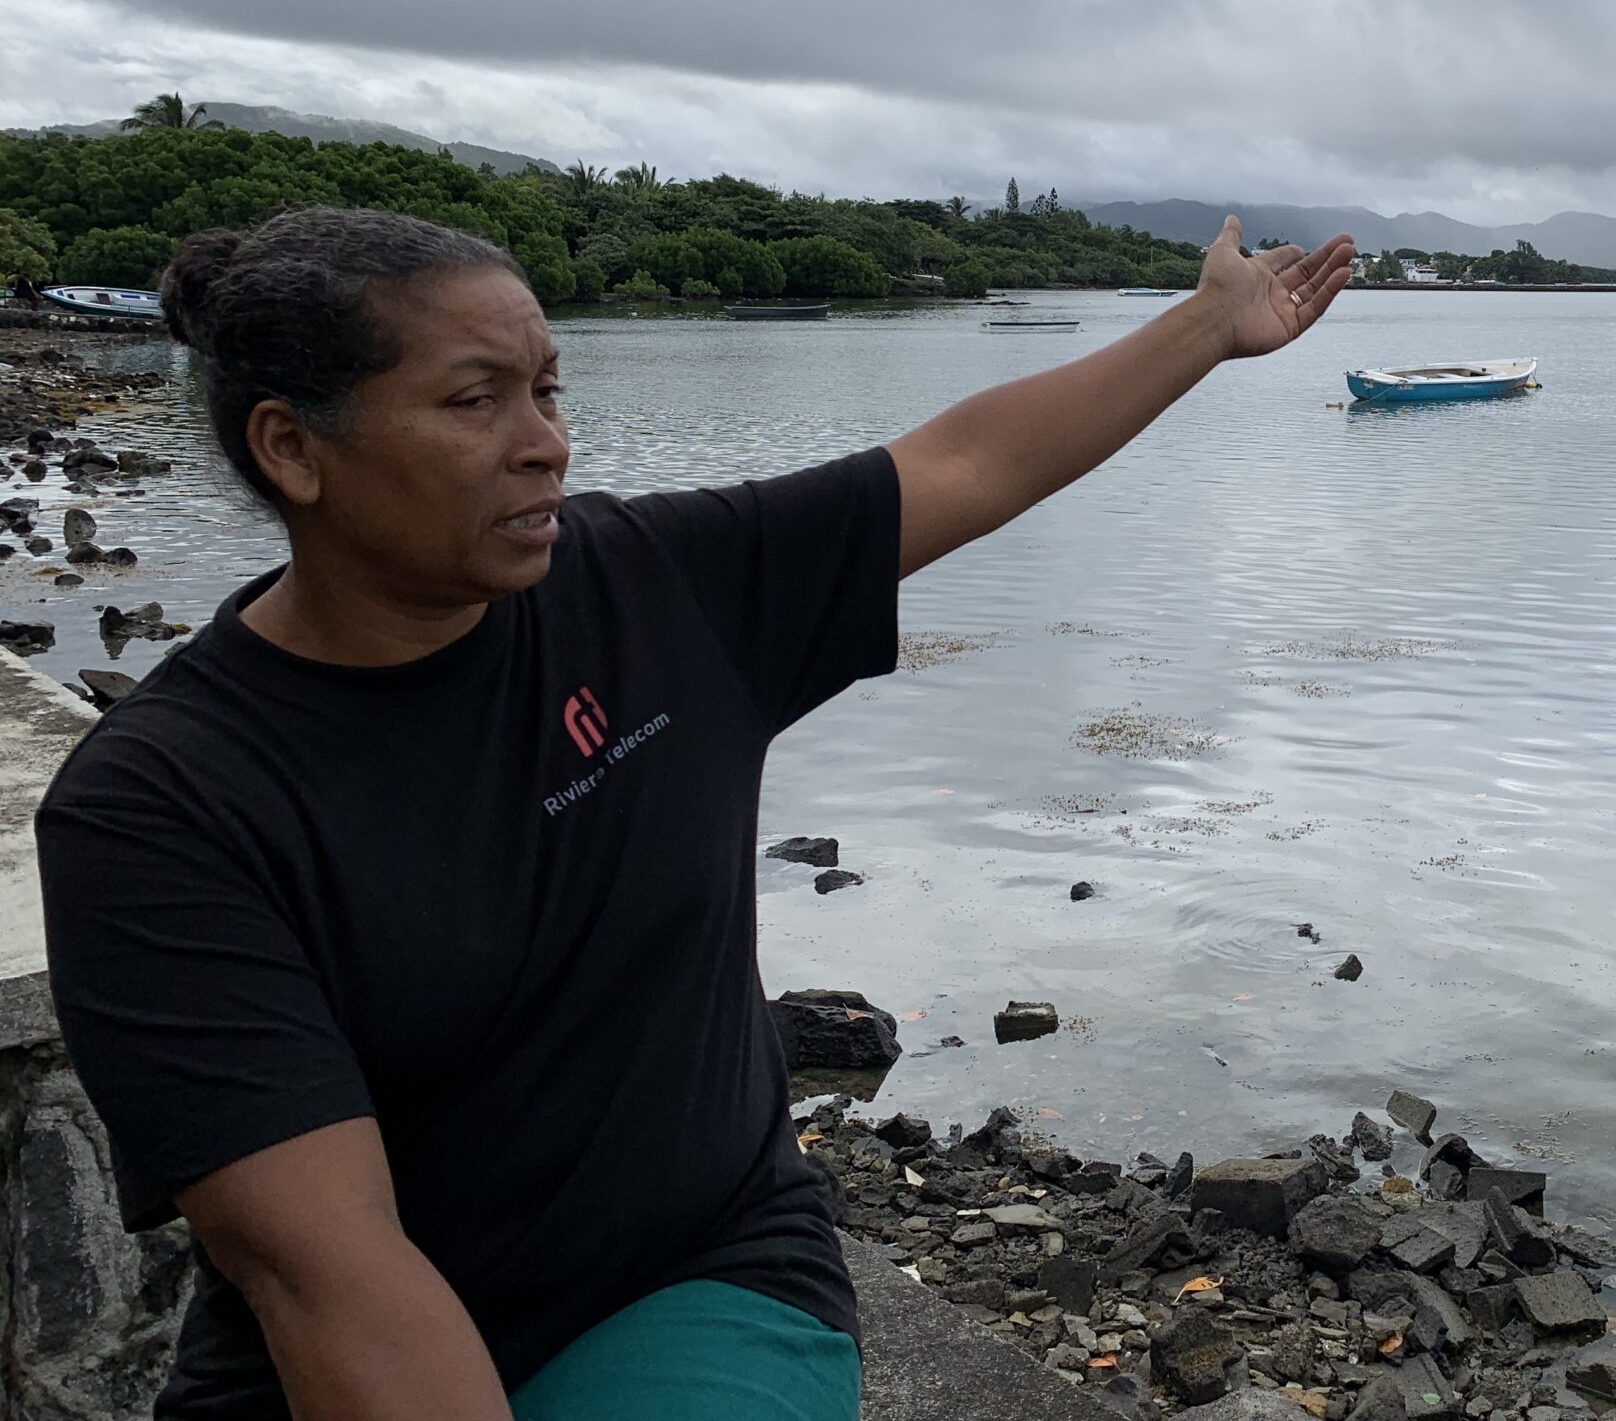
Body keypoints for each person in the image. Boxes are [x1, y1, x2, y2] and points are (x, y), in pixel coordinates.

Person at [35, 206, 1353, 1421]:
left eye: (548, 389)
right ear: (291, 447)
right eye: (475, 400)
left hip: (691, 1283)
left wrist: (1207, 325)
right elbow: (326, 1270)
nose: (545, 440)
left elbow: (963, 461)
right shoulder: (164, 805)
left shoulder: (651, 587)